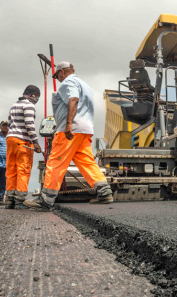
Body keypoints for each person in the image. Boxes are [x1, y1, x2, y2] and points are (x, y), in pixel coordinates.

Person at [24, 61, 113, 210]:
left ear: (63, 72)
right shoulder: (85, 85)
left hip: (70, 131)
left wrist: (69, 124)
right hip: (84, 130)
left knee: (55, 162)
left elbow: (73, 99)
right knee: (86, 162)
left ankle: (46, 200)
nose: (57, 78)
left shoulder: (67, 83)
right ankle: (104, 192)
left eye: (57, 75)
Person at [5, 86, 42, 209]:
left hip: (10, 139)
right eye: (37, 97)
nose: (37, 99)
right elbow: (29, 124)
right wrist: (35, 142)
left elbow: (10, 124)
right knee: (23, 169)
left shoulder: (14, 105)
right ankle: (20, 201)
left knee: (11, 169)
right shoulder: (29, 106)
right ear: (32, 95)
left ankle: (9, 200)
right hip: (22, 141)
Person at [0, 120, 9, 204]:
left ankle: (0, 198)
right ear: (0, 127)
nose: (5, 127)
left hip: (6, 163)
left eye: (7, 125)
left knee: (3, 182)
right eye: (3, 125)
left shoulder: (10, 138)